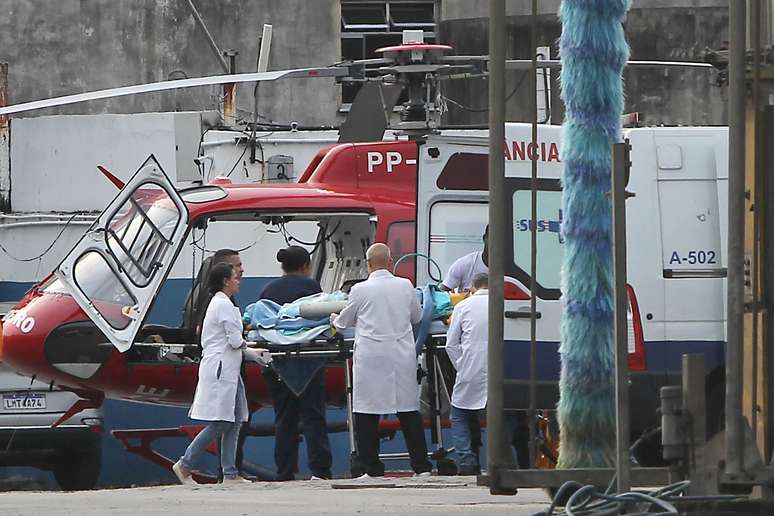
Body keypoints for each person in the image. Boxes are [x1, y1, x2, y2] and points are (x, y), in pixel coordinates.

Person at [331, 243, 433, 478]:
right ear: (390, 261)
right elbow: (417, 316)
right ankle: (421, 466)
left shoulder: (359, 289)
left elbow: (345, 321)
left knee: (367, 412)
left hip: (371, 356)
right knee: (408, 410)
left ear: (367, 264)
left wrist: (334, 319)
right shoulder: (405, 285)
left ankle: (371, 467)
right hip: (401, 354)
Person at [173, 262, 250, 485]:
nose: (239, 280)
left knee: (234, 420)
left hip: (229, 369)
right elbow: (235, 341)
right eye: (236, 277)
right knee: (221, 422)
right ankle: (185, 464)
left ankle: (230, 473)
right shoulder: (222, 304)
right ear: (226, 281)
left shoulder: (222, 303)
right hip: (222, 369)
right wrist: (254, 351)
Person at [260, 246, 333, 481]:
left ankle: (284, 471)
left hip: (278, 362)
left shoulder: (268, 289)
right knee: (313, 416)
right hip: (309, 360)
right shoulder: (311, 288)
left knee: (284, 418)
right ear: (305, 266)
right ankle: (320, 470)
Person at [445, 273, 489, 475]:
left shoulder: (463, 306)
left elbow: (451, 345)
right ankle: (508, 458)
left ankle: (467, 460)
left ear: (472, 288)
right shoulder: (504, 303)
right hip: (501, 368)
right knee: (504, 416)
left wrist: (462, 366)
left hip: (471, 368)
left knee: (459, 414)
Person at [441, 225, 488, 292]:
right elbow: (441, 295)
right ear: (485, 239)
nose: (497, 244)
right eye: (493, 239)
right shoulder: (464, 264)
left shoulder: (508, 267)